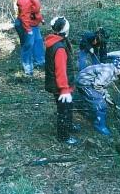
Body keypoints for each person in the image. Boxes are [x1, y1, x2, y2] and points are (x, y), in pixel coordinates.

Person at [76, 57, 120, 135]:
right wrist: (103, 96)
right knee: (101, 104)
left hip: (89, 81)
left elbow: (102, 85)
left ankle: (90, 107)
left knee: (100, 98)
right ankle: (99, 126)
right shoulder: (108, 72)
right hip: (84, 84)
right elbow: (97, 85)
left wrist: (106, 95)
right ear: (118, 68)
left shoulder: (111, 68)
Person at [45, 16, 79, 145]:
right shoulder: (58, 47)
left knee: (68, 107)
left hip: (64, 85)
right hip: (61, 87)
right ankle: (63, 136)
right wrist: (64, 90)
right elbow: (60, 70)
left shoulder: (58, 40)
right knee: (63, 111)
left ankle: (69, 126)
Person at [14, 0, 45, 76]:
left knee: (38, 42)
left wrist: (40, 19)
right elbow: (24, 15)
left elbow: (34, 11)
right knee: (28, 45)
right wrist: (28, 29)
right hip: (25, 24)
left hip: (33, 23)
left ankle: (40, 62)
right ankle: (28, 70)